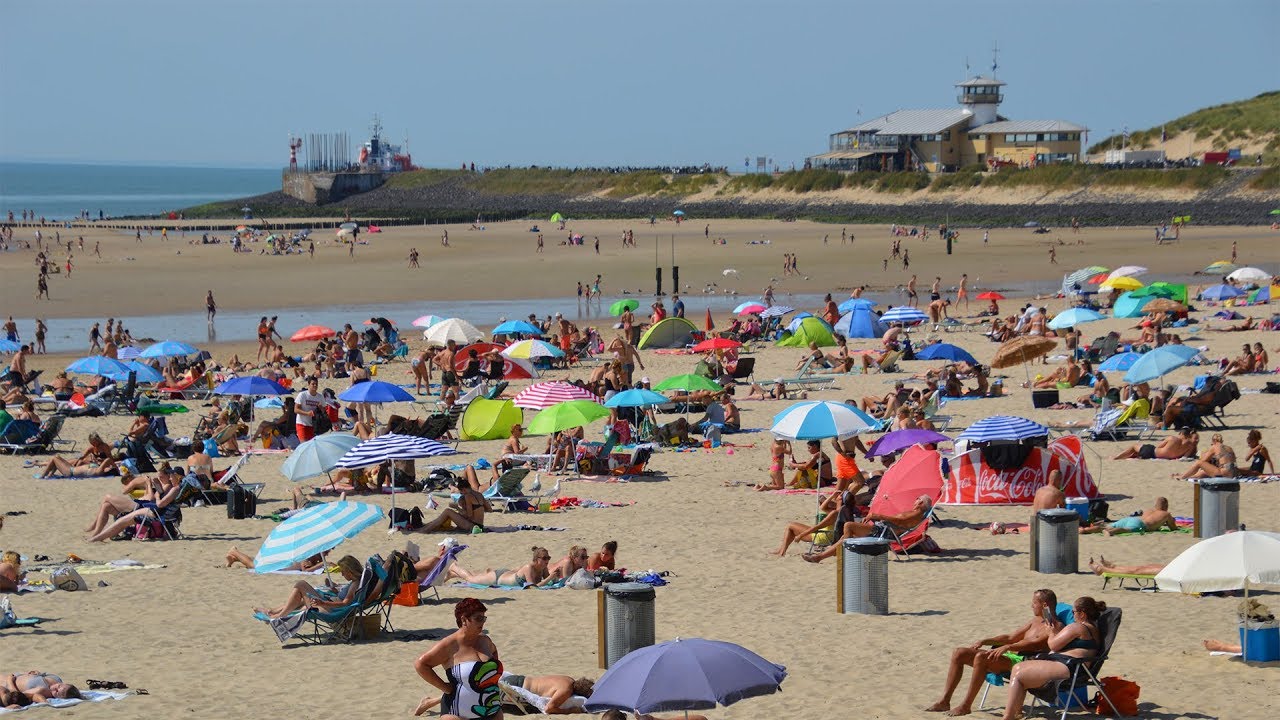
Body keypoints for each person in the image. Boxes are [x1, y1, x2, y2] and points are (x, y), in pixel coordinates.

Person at [925, 589, 1060, 716]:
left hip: (1025, 661)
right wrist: (985, 640)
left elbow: (1034, 643)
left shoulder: (1054, 626)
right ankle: (944, 701)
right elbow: (1010, 637)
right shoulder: (1035, 620)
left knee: (981, 657)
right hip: (1011, 655)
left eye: (1034, 603)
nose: (1031, 605)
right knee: (959, 653)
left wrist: (1008, 647)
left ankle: (966, 705)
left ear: (1044, 605)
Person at [999, 597, 1106, 720]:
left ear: (1082, 614)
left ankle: (1008, 716)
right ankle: (1015, 713)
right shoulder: (1093, 629)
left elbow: (1053, 645)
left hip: (1069, 667)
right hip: (1076, 667)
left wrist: (1050, 632)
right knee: (1021, 669)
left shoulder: (1077, 627)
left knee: (1018, 670)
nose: (1072, 615)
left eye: (1073, 612)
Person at [414, 598, 503, 719]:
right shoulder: (450, 645)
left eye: (484, 618)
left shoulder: (484, 640)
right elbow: (421, 664)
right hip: (457, 713)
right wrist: (445, 687)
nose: (482, 622)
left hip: (492, 712)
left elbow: (494, 650)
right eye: (478, 618)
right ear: (464, 619)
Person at [803, 495, 933, 563]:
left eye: (917, 499)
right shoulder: (916, 513)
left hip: (884, 532)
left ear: (921, 503)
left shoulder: (916, 514)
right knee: (846, 536)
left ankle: (843, 552)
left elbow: (900, 521)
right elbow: (899, 521)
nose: (915, 500)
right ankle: (820, 556)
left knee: (848, 526)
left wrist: (877, 516)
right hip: (882, 528)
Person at [254, 555, 364, 620]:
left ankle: (278, 616)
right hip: (330, 605)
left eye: (343, 572)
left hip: (330, 610)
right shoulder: (356, 582)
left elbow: (345, 603)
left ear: (350, 571)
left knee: (301, 584)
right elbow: (345, 597)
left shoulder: (355, 584)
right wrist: (335, 589)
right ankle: (272, 612)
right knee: (301, 598)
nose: (342, 575)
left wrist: (323, 603)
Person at [447, 547, 553, 589]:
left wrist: (553, 577)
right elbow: (533, 587)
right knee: (470, 579)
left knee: (476, 577)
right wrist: (549, 578)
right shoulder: (528, 567)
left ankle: (453, 574)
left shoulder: (543, 567)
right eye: (544, 558)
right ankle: (454, 567)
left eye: (548, 558)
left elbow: (552, 582)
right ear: (536, 558)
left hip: (507, 574)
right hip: (498, 578)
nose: (547, 560)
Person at [418, 474, 491, 534]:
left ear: (464, 489)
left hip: (472, 526)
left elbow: (469, 515)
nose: (462, 494)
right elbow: (489, 509)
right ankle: (426, 527)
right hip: (480, 525)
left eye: (461, 492)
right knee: (449, 514)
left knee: (448, 511)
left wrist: (457, 508)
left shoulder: (468, 496)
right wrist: (477, 510)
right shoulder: (479, 494)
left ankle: (425, 530)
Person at [1079, 497, 1176, 535]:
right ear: (1166, 506)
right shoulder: (1166, 514)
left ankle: (1084, 530)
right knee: (1125, 529)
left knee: (1105, 526)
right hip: (1139, 524)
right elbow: (1173, 528)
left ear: (1155, 505)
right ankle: (1110, 532)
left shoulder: (1149, 510)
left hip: (1131, 519)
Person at [1173, 433, 1238, 479]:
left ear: (1214, 441)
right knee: (1204, 472)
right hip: (1234, 472)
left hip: (1224, 473)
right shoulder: (1229, 447)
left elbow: (1203, 461)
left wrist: (1202, 456)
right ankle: (1189, 476)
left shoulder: (1214, 447)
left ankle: (1183, 476)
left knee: (1199, 463)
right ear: (1222, 441)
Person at [1112, 427, 1198, 460]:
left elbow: (1158, 447)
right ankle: (1126, 456)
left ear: (1181, 433)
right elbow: (1184, 457)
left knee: (1134, 446)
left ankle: (1116, 457)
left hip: (1153, 453)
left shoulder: (1172, 438)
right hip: (1159, 456)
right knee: (1136, 452)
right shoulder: (1190, 446)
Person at [0, 673, 81, 704]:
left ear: (60, 698)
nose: (55, 689)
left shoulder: (43, 691)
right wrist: (35, 673)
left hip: (5, 683)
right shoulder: (56, 679)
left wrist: (9, 680)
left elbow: (16, 695)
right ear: (63, 683)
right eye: (59, 686)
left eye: (58, 693)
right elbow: (43, 674)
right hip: (14, 675)